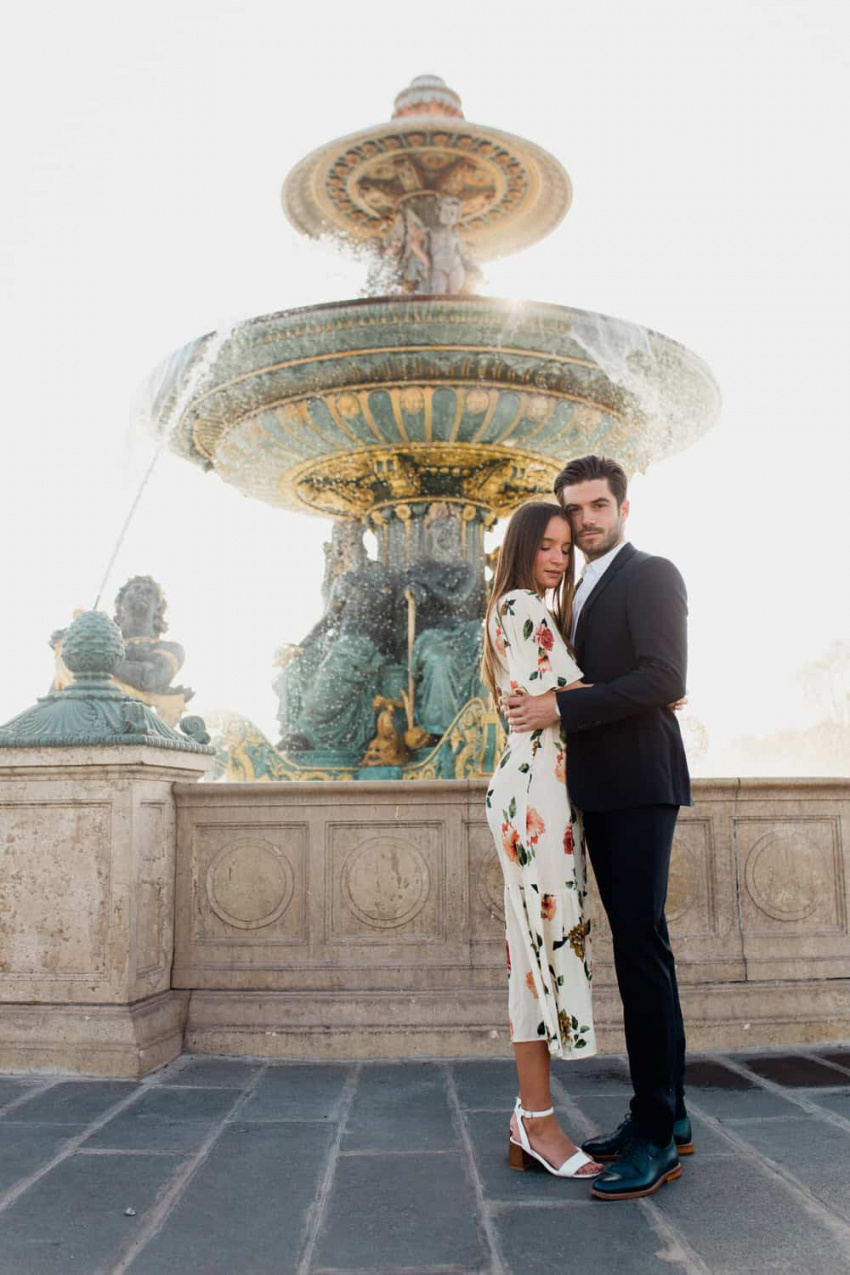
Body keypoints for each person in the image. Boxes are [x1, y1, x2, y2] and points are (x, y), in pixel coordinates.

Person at [504, 455, 692, 1202]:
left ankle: (656, 1139)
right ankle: (668, 1115)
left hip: (639, 784)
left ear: (623, 507)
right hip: (600, 789)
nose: (585, 520)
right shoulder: (573, 593)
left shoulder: (651, 573)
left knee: (641, 952)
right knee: (644, 949)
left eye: (597, 505)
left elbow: (665, 677)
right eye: (574, 509)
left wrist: (563, 706)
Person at [482, 501, 603, 1181]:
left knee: (533, 951)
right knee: (540, 952)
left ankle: (532, 1118)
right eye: (547, 546)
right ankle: (537, 1121)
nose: (558, 558)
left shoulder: (514, 608)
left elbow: (561, 701)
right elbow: (579, 695)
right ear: (522, 547)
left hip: (537, 792)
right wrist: (649, 693)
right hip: (535, 797)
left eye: (565, 548)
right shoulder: (523, 605)